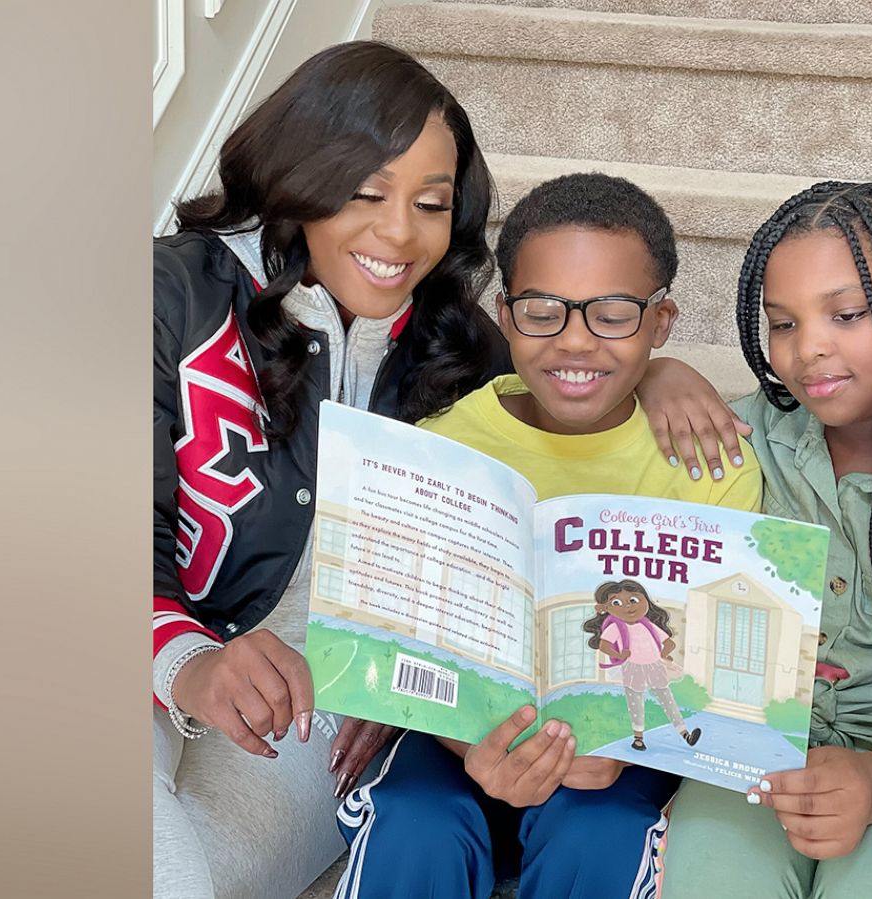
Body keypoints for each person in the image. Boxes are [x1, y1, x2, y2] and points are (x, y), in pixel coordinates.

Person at [329, 173, 761, 899]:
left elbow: (716, 666)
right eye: (542, 310)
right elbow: (396, 644)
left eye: (614, 313)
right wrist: (471, 745)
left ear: (662, 324)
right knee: (413, 819)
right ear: (504, 314)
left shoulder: (708, 461)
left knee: (605, 833)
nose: (576, 341)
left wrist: (625, 747)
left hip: (621, 759)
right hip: (452, 744)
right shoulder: (438, 447)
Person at [151, 41, 514, 899]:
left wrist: (662, 373)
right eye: (366, 192)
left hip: (320, 711)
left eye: (430, 203)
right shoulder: (171, 295)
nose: (400, 233)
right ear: (302, 177)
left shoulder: (463, 349)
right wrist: (188, 660)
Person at [646, 180, 872, 898]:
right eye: (782, 323)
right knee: (710, 877)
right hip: (754, 753)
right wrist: (655, 374)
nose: (810, 347)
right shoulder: (744, 438)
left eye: (847, 313)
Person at [583, 579, 701, 751]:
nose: (627, 607)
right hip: (633, 667)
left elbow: (668, 643)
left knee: (667, 699)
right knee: (635, 701)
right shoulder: (616, 626)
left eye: (633, 600)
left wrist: (664, 653)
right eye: (616, 603)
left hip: (654, 665)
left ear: (645, 600)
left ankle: (684, 733)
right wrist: (619, 654)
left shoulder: (647, 624)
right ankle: (638, 739)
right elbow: (604, 645)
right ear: (606, 608)